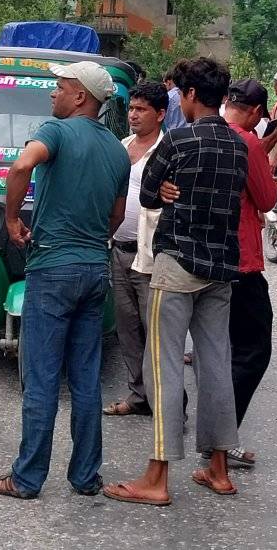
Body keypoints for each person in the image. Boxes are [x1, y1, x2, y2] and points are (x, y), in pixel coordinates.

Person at [0, 61, 130, 500]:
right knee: (85, 379)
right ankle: (85, 476)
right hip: (94, 269)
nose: (53, 93)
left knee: (42, 378)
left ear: (81, 96)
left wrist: (12, 219)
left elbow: (21, 166)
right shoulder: (117, 150)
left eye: (60, 86)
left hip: (52, 269)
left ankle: (27, 478)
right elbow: (117, 215)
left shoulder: (55, 132)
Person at [105, 57, 248, 506]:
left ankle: (157, 476)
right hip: (221, 267)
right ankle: (219, 469)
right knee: (216, 364)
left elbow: (148, 193)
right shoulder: (237, 143)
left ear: (189, 95)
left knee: (163, 366)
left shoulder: (179, 140)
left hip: (177, 262)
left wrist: (166, 190)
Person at [205, 78, 277, 471]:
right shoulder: (248, 142)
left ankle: (215, 437)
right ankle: (221, 439)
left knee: (220, 349)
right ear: (255, 112)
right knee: (252, 350)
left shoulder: (202, 133)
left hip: (205, 255)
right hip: (241, 259)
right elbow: (266, 198)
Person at [103, 82, 167, 417]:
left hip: (151, 255)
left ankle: (170, 403)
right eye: (131, 108)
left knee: (155, 329)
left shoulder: (167, 150)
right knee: (127, 327)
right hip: (119, 248)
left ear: (160, 114)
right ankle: (139, 394)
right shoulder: (123, 146)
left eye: (141, 109)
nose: (133, 115)